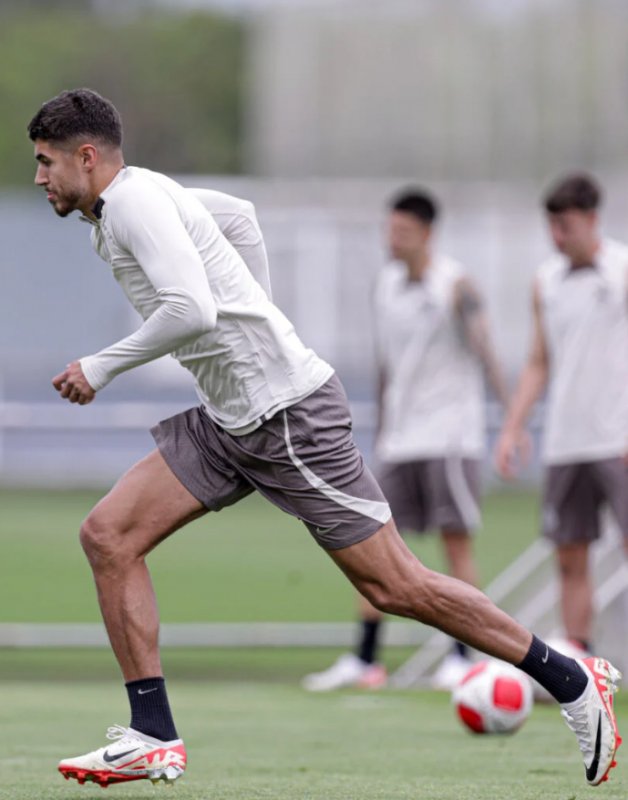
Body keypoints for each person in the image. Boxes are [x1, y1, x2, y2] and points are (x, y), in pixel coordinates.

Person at [28, 89, 620, 789]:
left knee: (396, 585)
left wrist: (101, 366)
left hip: (286, 418)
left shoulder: (133, 204)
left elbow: (192, 307)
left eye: (45, 162)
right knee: (108, 536)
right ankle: (152, 733)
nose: (40, 178)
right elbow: (241, 221)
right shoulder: (137, 201)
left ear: (86, 157)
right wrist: (261, 323)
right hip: (230, 419)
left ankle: (571, 678)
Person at [302, 189, 508, 692]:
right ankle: (365, 659)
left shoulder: (455, 286)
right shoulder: (386, 285)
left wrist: (510, 420)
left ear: (427, 234)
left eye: (403, 233)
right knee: (366, 544)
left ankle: (465, 659)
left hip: (450, 437)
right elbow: (387, 363)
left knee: (454, 544)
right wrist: (379, 427)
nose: (392, 241)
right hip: (400, 439)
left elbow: (487, 354)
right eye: (388, 231)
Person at [495, 172, 628, 657]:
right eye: (551, 226)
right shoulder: (545, 281)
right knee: (570, 558)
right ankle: (584, 668)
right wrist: (513, 426)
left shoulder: (621, 270)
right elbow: (539, 360)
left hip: (616, 439)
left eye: (566, 225)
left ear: (592, 220)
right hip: (564, 444)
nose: (557, 236)